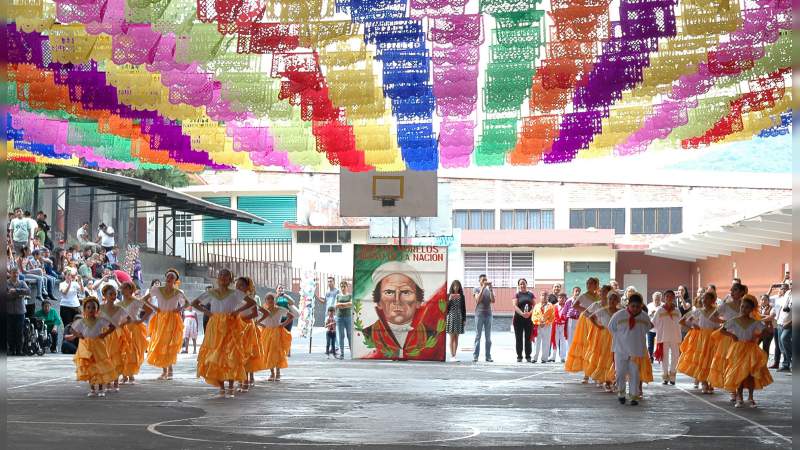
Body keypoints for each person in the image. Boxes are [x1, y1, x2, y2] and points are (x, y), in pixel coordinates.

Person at [192, 269, 257, 398]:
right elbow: (194, 303)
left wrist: (237, 311)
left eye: (226, 275)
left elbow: (252, 303)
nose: (223, 277)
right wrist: (208, 313)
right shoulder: (211, 292)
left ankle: (231, 387)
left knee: (231, 354)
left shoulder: (235, 293)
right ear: (217, 278)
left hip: (231, 325)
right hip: (215, 327)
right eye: (221, 275)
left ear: (230, 279)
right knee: (216, 355)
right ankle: (222, 387)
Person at [719, 295, 773, 407]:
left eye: (747, 307)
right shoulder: (733, 321)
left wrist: (758, 336)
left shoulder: (755, 322)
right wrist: (732, 335)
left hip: (750, 350)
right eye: (742, 307)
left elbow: (767, 332)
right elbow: (722, 330)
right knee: (739, 373)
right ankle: (739, 397)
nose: (744, 309)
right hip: (737, 349)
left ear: (751, 309)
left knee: (750, 373)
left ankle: (751, 397)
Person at [65, 297, 116, 397]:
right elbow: (71, 329)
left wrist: (105, 334)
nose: (91, 310)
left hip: (99, 346)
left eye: (93, 308)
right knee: (90, 367)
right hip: (86, 346)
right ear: (84, 309)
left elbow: (112, 326)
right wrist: (78, 335)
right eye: (88, 308)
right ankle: (92, 389)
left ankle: (101, 388)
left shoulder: (100, 320)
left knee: (100, 366)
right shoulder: (81, 321)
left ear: (97, 310)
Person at [609, 293, 653, 406]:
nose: (635, 309)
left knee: (635, 374)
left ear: (641, 306)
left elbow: (649, 327)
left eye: (638, 306)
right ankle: (621, 394)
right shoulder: (618, 315)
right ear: (628, 305)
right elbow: (611, 328)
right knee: (620, 373)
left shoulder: (644, 317)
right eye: (633, 306)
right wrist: (621, 338)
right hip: (620, 349)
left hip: (636, 350)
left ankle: (634, 396)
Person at [143, 269, 188, 381]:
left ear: (175, 280)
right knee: (161, 343)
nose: (169, 279)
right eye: (168, 276)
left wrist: (179, 309)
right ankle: (164, 371)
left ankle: (170, 370)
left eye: (172, 277)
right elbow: (144, 299)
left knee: (169, 344)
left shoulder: (178, 292)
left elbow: (187, 303)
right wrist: (154, 308)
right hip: (160, 319)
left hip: (172, 319)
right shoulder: (157, 289)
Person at [678, 291, 720, 394]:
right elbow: (682, 321)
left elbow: (721, 323)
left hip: (714, 338)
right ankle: (704, 383)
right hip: (702, 339)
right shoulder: (698, 311)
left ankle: (710, 382)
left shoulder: (717, 311)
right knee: (703, 360)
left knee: (711, 361)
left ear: (713, 300)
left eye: (707, 298)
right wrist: (692, 327)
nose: (704, 300)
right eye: (702, 298)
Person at [565, 277, 600, 378]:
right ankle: (586, 373)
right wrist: (586, 310)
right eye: (587, 284)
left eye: (591, 284)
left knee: (595, 345)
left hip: (596, 320)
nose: (588, 285)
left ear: (595, 285)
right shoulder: (583, 295)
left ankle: (594, 371)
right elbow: (575, 306)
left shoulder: (598, 296)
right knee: (586, 344)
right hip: (585, 320)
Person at [586, 291, 621, 392]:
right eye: (610, 299)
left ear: (618, 301)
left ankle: (614, 380)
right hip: (605, 336)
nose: (612, 301)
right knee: (606, 358)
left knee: (616, 359)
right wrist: (598, 325)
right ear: (607, 299)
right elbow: (588, 315)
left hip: (618, 337)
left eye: (614, 299)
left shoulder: (621, 311)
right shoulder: (602, 310)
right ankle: (607, 381)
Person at [257, 293, 297, 382]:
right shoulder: (263, 311)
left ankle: (278, 371)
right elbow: (257, 320)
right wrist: (260, 325)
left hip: (277, 332)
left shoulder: (280, 309)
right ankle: (272, 372)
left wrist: (282, 325)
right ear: (265, 301)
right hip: (266, 333)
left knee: (276, 351)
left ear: (274, 300)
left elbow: (291, 316)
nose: (270, 300)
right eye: (268, 299)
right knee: (268, 352)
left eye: (272, 299)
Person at [118, 282, 152, 384]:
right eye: (122, 288)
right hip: (123, 329)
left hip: (134, 328)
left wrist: (141, 320)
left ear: (131, 290)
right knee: (123, 351)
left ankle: (131, 375)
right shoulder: (118, 303)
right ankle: (124, 375)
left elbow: (149, 310)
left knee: (132, 351)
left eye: (126, 288)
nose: (123, 290)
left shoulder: (136, 301)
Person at [235, 277, 262, 392]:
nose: (238, 287)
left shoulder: (250, 299)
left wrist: (243, 319)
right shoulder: (234, 298)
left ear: (247, 287)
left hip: (247, 327)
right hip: (236, 328)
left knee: (246, 353)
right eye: (237, 285)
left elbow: (255, 313)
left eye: (241, 285)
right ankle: (240, 378)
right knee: (237, 353)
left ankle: (246, 379)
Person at [653, 290, 682, 386]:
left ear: (674, 298)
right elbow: (654, 323)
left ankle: (672, 376)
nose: (669, 298)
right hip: (663, 337)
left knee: (675, 357)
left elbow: (681, 323)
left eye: (671, 296)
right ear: (664, 298)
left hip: (675, 337)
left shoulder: (677, 310)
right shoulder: (660, 310)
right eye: (667, 296)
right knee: (664, 357)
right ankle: (665, 376)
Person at [7, 267, 30, 356]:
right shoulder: (6, 283)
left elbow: (28, 291)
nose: (15, 275)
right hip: (9, 311)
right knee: (10, 332)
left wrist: (16, 291)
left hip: (20, 311)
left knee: (20, 332)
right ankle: (12, 349)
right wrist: (19, 295)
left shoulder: (22, 282)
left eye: (17, 273)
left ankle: (19, 350)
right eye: (14, 273)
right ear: (10, 273)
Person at [473, 274, 495, 363]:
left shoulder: (489, 290)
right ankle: (475, 356)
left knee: (488, 337)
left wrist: (490, 289)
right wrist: (482, 288)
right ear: (479, 281)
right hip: (479, 315)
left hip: (488, 315)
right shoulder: (476, 289)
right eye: (483, 280)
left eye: (486, 280)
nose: (485, 281)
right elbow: (477, 300)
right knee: (478, 336)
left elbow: (493, 300)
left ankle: (488, 356)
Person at [512, 278, 534, 362]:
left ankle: (528, 356)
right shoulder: (517, 294)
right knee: (518, 338)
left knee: (528, 338)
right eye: (520, 284)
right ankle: (519, 356)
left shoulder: (531, 294)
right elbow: (515, 306)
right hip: (518, 319)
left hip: (529, 319)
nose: (522, 285)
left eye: (524, 283)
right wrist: (522, 314)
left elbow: (535, 305)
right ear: (518, 285)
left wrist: (529, 313)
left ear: (526, 284)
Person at [445, 280, 466, 362]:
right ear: (452, 287)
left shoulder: (462, 296)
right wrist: (449, 300)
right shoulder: (448, 295)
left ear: (459, 287)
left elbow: (464, 308)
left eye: (457, 286)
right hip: (451, 317)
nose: (456, 287)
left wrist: (464, 319)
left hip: (459, 317)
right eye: (454, 286)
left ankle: (455, 355)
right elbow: (445, 308)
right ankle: (452, 355)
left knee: (457, 337)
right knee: (451, 337)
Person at [319, 277, 340, 354]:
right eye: (328, 281)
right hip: (327, 314)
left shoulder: (337, 291)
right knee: (329, 331)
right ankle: (333, 347)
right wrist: (315, 297)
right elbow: (324, 301)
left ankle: (336, 347)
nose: (329, 283)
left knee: (333, 330)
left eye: (331, 281)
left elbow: (338, 302)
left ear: (334, 282)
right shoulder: (327, 292)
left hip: (334, 314)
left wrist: (335, 311)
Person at [532, 292, 555, 364]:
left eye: (546, 295)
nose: (544, 297)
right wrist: (538, 322)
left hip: (547, 326)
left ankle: (544, 358)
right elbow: (533, 316)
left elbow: (552, 316)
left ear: (548, 297)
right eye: (542, 295)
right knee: (537, 342)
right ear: (540, 296)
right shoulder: (536, 306)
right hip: (538, 326)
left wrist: (546, 323)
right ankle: (534, 358)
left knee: (546, 342)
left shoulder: (551, 306)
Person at [774, 286, 791, 372]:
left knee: (784, 339)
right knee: (781, 345)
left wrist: (789, 322)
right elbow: (782, 307)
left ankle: (791, 362)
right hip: (780, 322)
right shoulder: (787, 294)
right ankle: (786, 365)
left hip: (790, 323)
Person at [552, 293, 569, 363]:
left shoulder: (567, 306)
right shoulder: (554, 306)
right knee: (554, 340)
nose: (561, 299)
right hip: (555, 325)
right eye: (560, 298)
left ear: (565, 299)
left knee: (563, 341)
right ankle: (553, 356)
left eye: (563, 298)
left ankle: (563, 357)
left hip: (563, 326)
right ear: (558, 298)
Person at [647, 292, 662, 361]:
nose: (656, 301)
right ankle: (650, 357)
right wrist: (650, 314)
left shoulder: (663, 306)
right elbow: (646, 316)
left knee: (660, 344)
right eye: (655, 299)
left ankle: (659, 356)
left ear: (660, 299)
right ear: (653, 299)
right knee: (650, 345)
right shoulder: (649, 306)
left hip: (660, 328)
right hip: (650, 328)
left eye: (658, 299)